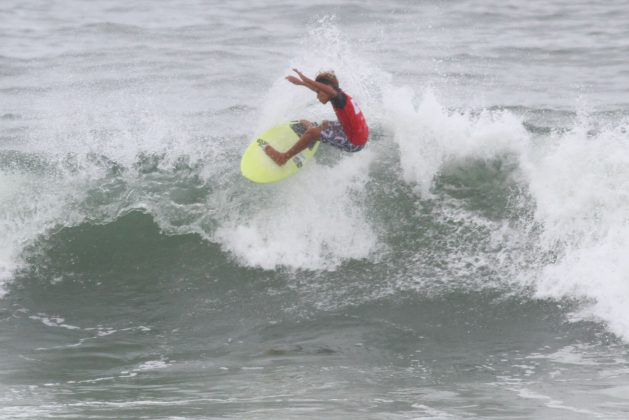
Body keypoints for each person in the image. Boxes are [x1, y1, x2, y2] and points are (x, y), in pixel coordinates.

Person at [264, 69, 369, 166]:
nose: (317, 96)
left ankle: (282, 158)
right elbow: (324, 89)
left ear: (328, 89)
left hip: (354, 143)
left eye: (318, 92)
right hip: (355, 132)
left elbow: (327, 89)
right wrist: (301, 83)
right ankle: (312, 135)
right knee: (324, 124)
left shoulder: (337, 97)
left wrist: (305, 79)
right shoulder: (339, 95)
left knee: (313, 132)